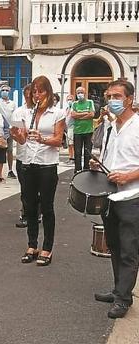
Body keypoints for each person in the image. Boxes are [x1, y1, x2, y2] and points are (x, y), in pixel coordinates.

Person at [91, 79, 139, 319]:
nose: (112, 101)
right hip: (109, 195)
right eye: (109, 96)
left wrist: (129, 175)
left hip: (132, 196)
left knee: (129, 250)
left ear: (129, 99)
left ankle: (122, 299)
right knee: (115, 246)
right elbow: (109, 157)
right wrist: (99, 165)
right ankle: (119, 289)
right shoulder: (110, 127)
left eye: (117, 96)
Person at [11, 76, 65, 266]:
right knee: (30, 206)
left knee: (47, 207)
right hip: (28, 163)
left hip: (47, 164)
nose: (37, 95)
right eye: (34, 91)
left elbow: (59, 140)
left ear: (48, 93)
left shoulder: (57, 113)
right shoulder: (27, 113)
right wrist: (16, 135)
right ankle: (32, 245)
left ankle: (47, 248)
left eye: (41, 91)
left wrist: (43, 139)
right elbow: (23, 140)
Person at [11, 83, 34, 228]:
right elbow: (14, 133)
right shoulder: (18, 112)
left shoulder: (43, 112)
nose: (29, 97)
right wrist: (18, 135)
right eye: (27, 95)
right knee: (25, 189)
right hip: (23, 156)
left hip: (39, 157)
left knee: (37, 190)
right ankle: (26, 214)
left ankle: (36, 212)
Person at [0, 81, 17, 179]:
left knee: (9, 150)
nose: (5, 91)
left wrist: (13, 128)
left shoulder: (13, 104)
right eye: (3, 90)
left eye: (6, 90)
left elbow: (14, 116)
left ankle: (10, 170)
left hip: (9, 130)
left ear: (9, 92)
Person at [70, 86, 95, 172]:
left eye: (81, 92)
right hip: (77, 131)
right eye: (78, 92)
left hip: (88, 131)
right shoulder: (74, 104)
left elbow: (92, 114)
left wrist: (79, 115)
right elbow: (73, 115)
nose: (80, 94)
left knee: (87, 152)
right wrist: (85, 114)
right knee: (77, 152)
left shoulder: (90, 102)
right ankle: (77, 170)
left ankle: (86, 169)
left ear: (85, 93)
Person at [65, 94, 75, 164]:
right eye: (68, 99)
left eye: (70, 99)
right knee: (69, 144)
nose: (69, 101)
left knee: (72, 144)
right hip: (67, 128)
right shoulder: (67, 108)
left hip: (72, 127)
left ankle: (73, 158)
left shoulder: (74, 107)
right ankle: (70, 157)